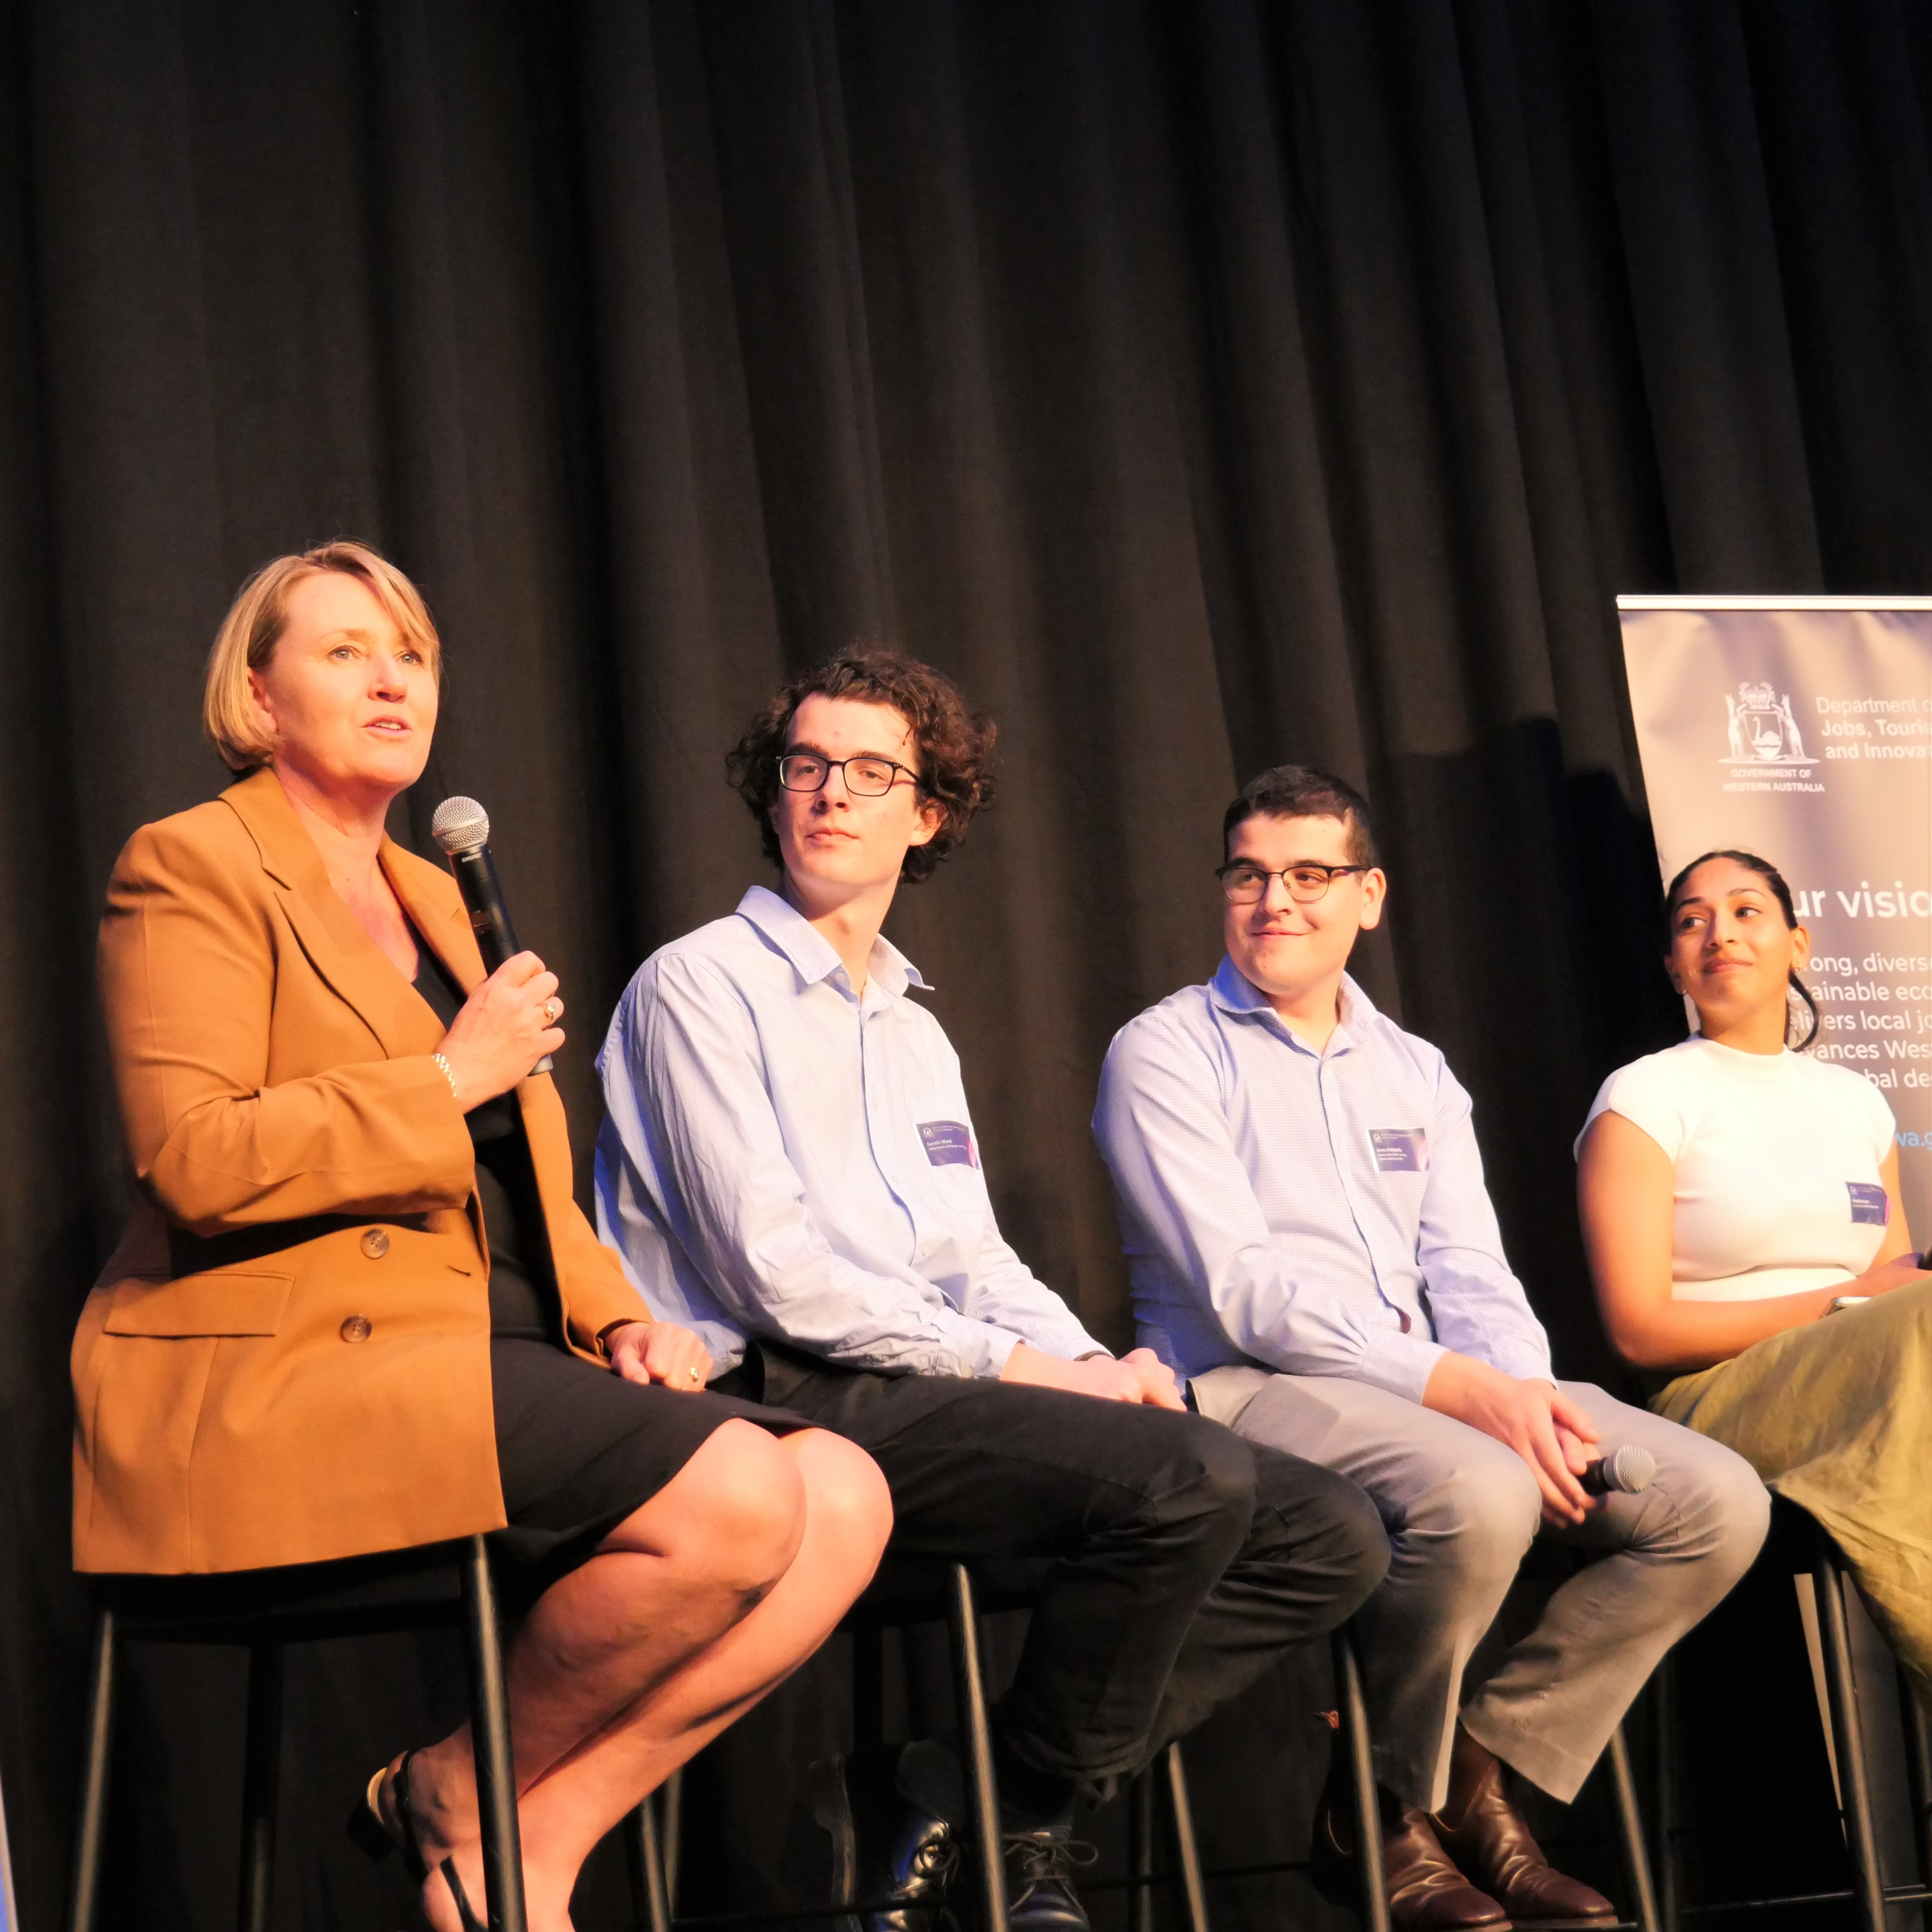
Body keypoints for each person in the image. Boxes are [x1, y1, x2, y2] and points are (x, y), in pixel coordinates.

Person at [77, 543, 891, 1932]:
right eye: (343, 651)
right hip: (286, 1364)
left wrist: (619, 1314)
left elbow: (534, 1184)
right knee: (745, 1501)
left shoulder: (441, 888)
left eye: (412, 653)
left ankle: (500, 1819)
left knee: (845, 1504)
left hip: (488, 1340)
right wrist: (446, 1078)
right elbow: (192, 1160)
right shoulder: (192, 862)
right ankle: (473, 1808)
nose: (392, 677)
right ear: (260, 699)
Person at [595, 653, 1390, 1932]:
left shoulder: (914, 1025)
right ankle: (1010, 1817)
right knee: (1187, 1482)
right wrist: (1035, 1376)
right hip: (775, 1401)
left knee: (1332, 1531)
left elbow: (974, 1257)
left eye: (871, 773)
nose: (829, 795)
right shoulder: (696, 987)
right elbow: (779, 1280)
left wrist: (1097, 1367)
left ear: (931, 814)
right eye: (807, 766)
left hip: (923, 1389)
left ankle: (965, 1794)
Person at [1092, 766, 1771, 1932]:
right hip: (1249, 1387)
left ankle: (1460, 1773)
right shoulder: (1163, 1053)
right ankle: (1381, 1808)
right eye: (1249, 876)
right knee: (1485, 1492)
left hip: (1431, 1388)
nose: (1275, 903)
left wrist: (1525, 1390)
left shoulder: (1416, 1069)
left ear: (1370, 895)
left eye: (1310, 876)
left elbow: (1470, 1273)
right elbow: (1249, 1295)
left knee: (1716, 1503)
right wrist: (1461, 1391)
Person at [1577, 848, 1932, 1695]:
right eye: (1692, 922)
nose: (1719, 935)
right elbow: (1637, 1331)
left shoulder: (1858, 1102)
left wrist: (1875, 1300)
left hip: (1868, 1379)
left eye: (1745, 912)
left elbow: (1898, 1289)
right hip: (1713, 1397)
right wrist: (1841, 1304)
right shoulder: (1646, 1095)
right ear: (1672, 966)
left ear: (1799, 945)